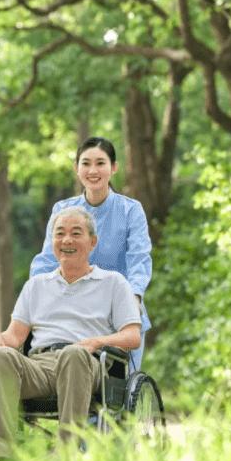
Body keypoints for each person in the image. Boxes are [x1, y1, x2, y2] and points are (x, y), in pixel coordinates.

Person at [0, 206, 141, 460]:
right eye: (60, 234)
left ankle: (65, 455)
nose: (67, 240)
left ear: (92, 242)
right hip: (40, 366)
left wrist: (97, 342)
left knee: (73, 354)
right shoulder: (36, 286)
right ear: (52, 242)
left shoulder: (113, 282)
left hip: (88, 364)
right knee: (1, 356)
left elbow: (132, 336)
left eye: (76, 233)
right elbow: (13, 338)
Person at [30, 136, 152, 372]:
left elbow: (139, 259)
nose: (93, 170)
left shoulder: (130, 211)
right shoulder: (62, 211)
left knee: (118, 392)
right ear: (77, 169)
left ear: (113, 168)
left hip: (118, 312)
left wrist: (134, 297)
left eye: (100, 163)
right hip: (71, 311)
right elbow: (46, 260)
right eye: (86, 163)